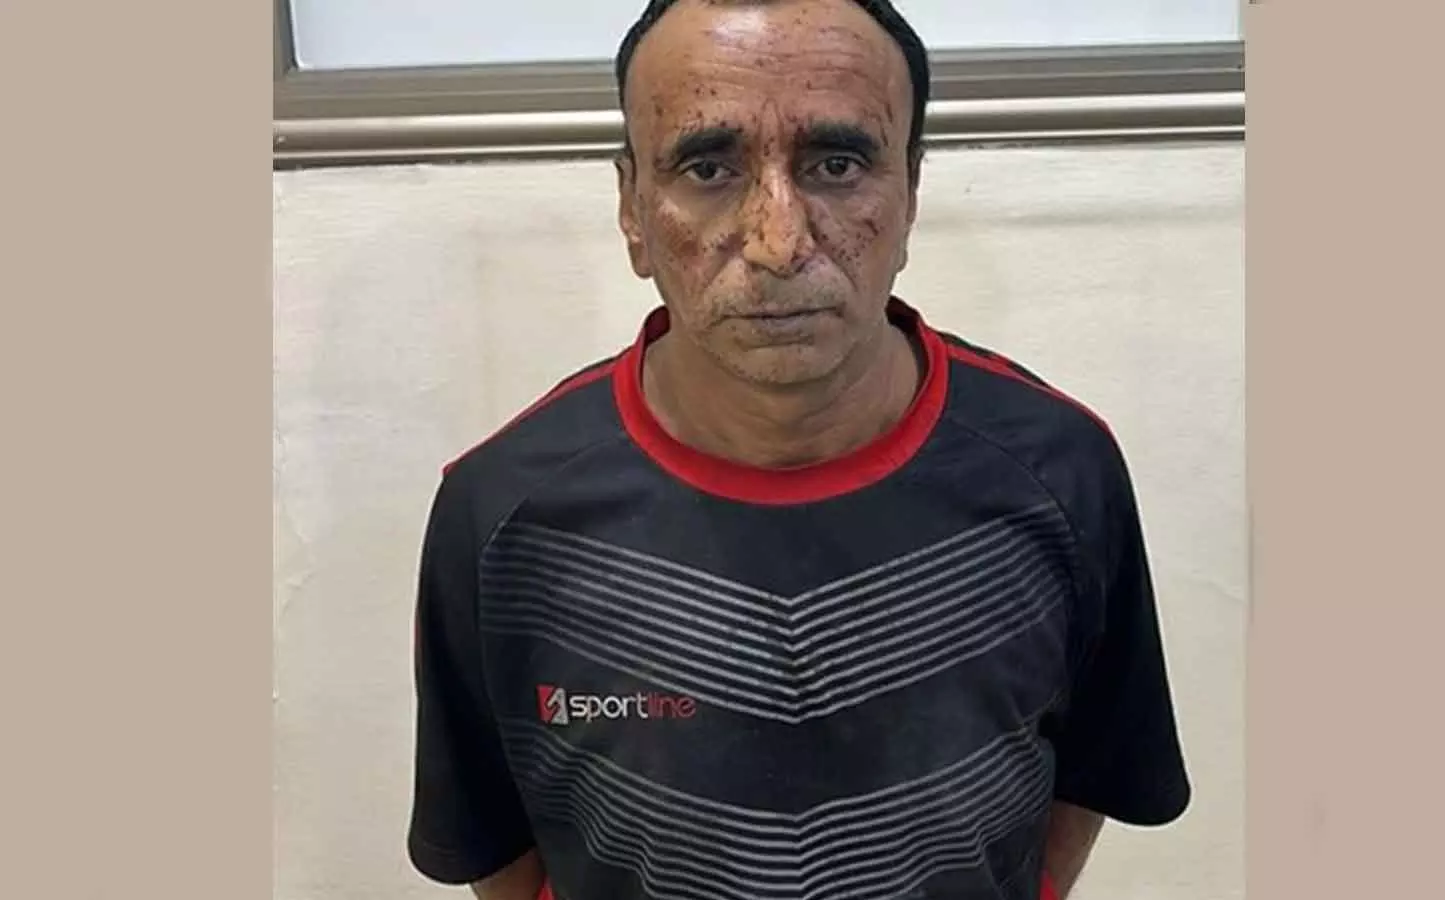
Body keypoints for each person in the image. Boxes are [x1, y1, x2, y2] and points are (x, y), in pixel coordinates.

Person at [405, 1, 1191, 898]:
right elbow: (495, 847)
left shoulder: (1062, 471)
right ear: (632, 209)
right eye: (708, 167)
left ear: (909, 195)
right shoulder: (500, 512)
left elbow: (1087, 778)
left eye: (837, 164)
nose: (779, 243)